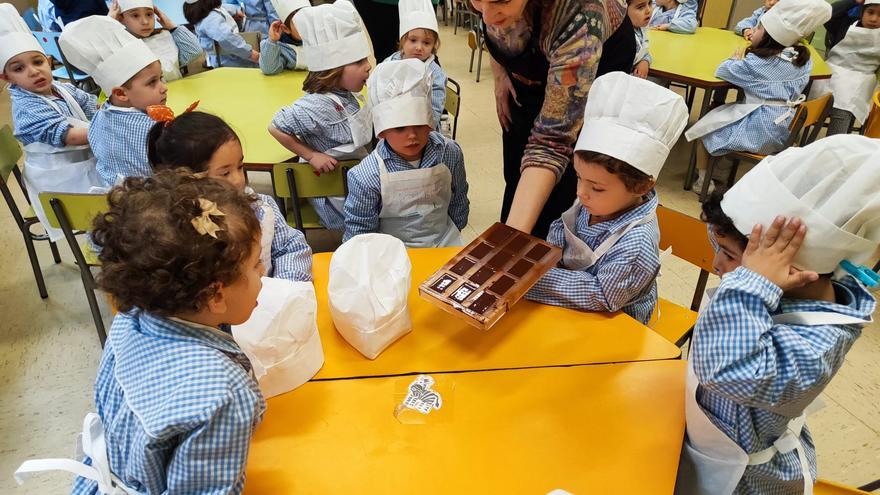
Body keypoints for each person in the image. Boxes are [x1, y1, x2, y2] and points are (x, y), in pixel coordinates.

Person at [15, 171, 267, 494]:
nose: (263, 274)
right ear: (215, 296)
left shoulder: (130, 317)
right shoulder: (225, 393)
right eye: (257, 266)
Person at [676, 135, 880, 495]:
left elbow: (725, 369)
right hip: (705, 434)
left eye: (727, 253)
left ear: (797, 267)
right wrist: (754, 279)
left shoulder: (819, 341)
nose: (716, 264)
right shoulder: (773, 288)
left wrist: (753, 282)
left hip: (747, 482)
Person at [525, 72, 688, 324]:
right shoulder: (599, 200)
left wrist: (538, 276)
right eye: (578, 177)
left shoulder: (636, 242)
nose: (581, 192)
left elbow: (603, 296)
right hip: (570, 305)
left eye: (597, 187)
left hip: (617, 322)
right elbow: (563, 227)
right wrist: (549, 254)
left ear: (641, 185)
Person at [472, 0, 636, 239]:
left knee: (559, 191)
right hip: (533, 67)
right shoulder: (493, 10)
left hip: (592, 63)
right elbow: (490, 23)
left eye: (501, 0)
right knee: (517, 171)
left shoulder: (579, 11)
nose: (486, 16)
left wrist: (508, 247)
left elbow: (551, 142)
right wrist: (501, 74)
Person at [684, 0, 831, 194]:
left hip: (762, 129)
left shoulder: (756, 63)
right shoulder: (803, 59)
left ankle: (703, 181)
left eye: (759, 27)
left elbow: (724, 70)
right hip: (786, 129)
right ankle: (723, 167)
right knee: (723, 114)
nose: (753, 30)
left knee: (704, 128)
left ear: (770, 38)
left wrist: (735, 60)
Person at [148, 108, 313, 282]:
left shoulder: (260, 207)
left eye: (240, 166)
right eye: (225, 173)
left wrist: (282, 287)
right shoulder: (174, 230)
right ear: (186, 179)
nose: (238, 180)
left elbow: (291, 247)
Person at [268, 0, 372, 231]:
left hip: (353, 178)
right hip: (335, 192)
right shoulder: (317, 106)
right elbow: (275, 126)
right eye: (359, 62)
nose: (368, 66)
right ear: (332, 70)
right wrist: (312, 155)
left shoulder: (346, 94)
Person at [0, 4, 101, 242]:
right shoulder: (26, 108)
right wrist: (110, 126)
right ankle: (104, 248)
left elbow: (91, 104)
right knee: (123, 205)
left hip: (84, 167)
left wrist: (110, 109)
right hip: (60, 186)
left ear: (48, 61)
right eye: (19, 69)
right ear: (7, 78)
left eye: (37, 62)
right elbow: (69, 136)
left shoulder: (61, 88)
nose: (33, 72)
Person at [344, 58, 469, 247]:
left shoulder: (449, 153)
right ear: (382, 132)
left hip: (444, 243)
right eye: (400, 128)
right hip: (391, 252)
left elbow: (458, 199)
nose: (412, 135)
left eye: (419, 125)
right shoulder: (366, 176)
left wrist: (456, 234)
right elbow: (360, 234)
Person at [59, 15, 166, 187]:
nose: (164, 88)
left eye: (161, 78)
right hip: (154, 201)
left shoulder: (98, 117)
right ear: (121, 94)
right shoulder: (153, 130)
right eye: (152, 82)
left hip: (114, 196)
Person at [811, 0, 880, 135]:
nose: (874, 19)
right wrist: (854, 1)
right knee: (810, 113)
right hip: (830, 76)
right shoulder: (844, 24)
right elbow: (828, 13)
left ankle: (835, 146)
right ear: (861, 12)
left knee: (842, 114)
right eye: (870, 12)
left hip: (859, 84)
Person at [383, 0, 446, 129]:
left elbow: (434, 112)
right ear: (402, 41)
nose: (419, 47)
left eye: (426, 43)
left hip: (423, 128)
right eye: (413, 40)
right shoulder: (390, 63)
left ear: (434, 46)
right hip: (392, 124)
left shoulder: (435, 73)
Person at [109, 0, 202, 82]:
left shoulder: (164, 37)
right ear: (120, 19)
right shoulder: (120, 46)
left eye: (149, 14)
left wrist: (172, 26)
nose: (145, 22)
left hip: (178, 94)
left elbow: (194, 51)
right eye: (135, 15)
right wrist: (107, 24)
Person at [184, 0, 259, 68]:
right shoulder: (211, 19)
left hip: (231, 59)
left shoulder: (204, 12)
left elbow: (223, 8)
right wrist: (252, 54)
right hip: (231, 63)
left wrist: (235, 11)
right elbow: (227, 38)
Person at [259, 0, 310, 75]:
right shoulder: (283, 50)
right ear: (286, 29)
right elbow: (269, 70)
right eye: (300, 24)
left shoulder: (318, 41)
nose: (306, 27)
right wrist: (272, 41)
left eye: (309, 21)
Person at [629, 0, 653, 78]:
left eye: (649, 3)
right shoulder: (623, 38)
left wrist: (645, 61)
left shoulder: (640, 29)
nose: (648, 10)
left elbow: (645, 51)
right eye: (640, 7)